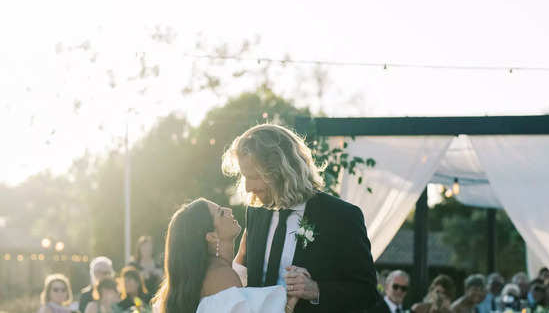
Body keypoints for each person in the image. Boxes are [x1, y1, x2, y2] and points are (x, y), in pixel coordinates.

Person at [222, 123, 379, 313]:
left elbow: (366, 292)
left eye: (254, 176)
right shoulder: (255, 213)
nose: (247, 187)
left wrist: (316, 290)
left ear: (282, 170)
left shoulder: (342, 216)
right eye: (244, 176)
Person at [152, 197, 293, 313]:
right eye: (220, 213)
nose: (229, 210)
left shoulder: (207, 272)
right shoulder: (221, 276)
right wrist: (290, 304)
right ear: (212, 236)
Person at [129, 235, 163, 300]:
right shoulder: (133, 265)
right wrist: (140, 276)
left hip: (155, 299)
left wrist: (160, 276)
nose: (146, 249)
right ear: (139, 249)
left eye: (148, 247)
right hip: (137, 299)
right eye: (144, 247)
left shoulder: (158, 266)